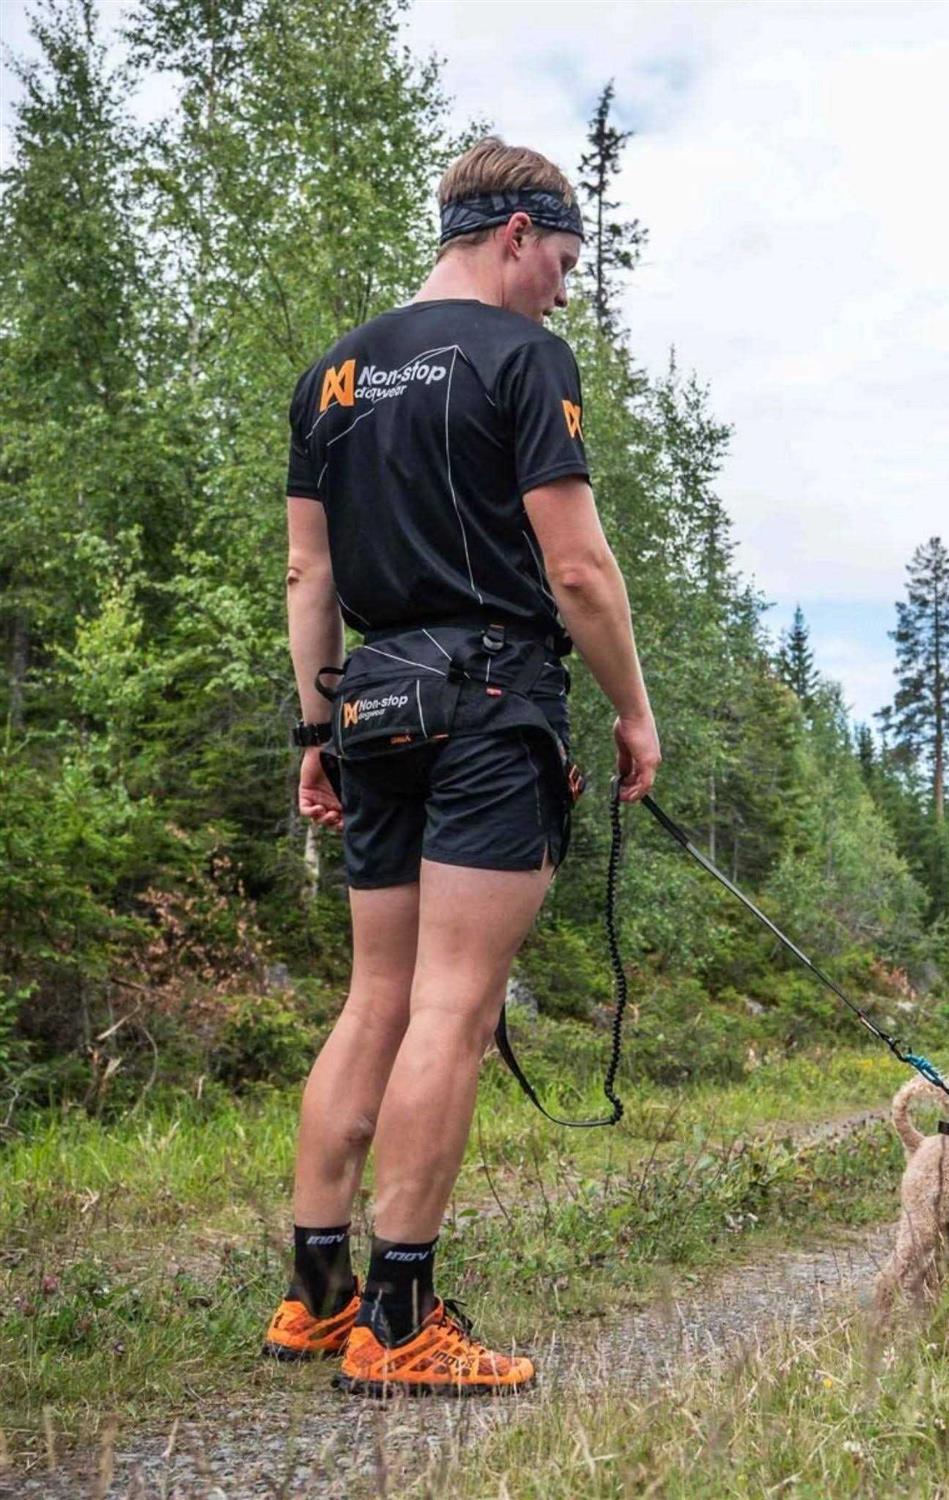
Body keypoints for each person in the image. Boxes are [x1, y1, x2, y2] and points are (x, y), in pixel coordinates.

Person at [260, 136, 660, 1396]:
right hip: (490, 703)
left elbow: (310, 573)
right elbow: (577, 568)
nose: (563, 290)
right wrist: (633, 713)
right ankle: (399, 1321)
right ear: (514, 234)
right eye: (562, 261)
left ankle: (315, 1298)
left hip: (372, 704)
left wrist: (316, 737)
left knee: (376, 998)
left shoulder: (330, 378)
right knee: (452, 1008)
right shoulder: (522, 360)